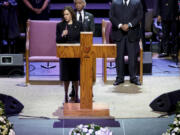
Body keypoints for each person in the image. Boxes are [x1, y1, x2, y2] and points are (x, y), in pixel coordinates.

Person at [109, 0, 143, 85]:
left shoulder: (137, 2)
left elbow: (139, 16)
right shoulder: (115, 2)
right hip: (118, 33)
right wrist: (120, 25)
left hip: (132, 33)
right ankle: (120, 78)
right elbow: (111, 16)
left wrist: (130, 25)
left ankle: (133, 77)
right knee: (119, 57)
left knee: (132, 57)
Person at [56, 6, 83, 103]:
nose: (65, 16)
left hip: (76, 54)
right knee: (66, 77)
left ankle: (76, 95)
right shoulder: (60, 25)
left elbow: (81, 39)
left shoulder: (79, 25)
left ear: (71, 14)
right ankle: (66, 96)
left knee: (75, 76)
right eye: (64, 15)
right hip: (65, 54)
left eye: (67, 14)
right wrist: (62, 35)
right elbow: (57, 41)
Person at [69, 0, 95, 98]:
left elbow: (92, 31)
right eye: (76, 3)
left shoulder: (90, 16)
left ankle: (89, 89)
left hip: (87, 47)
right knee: (74, 69)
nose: (78, 5)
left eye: (80, 3)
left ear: (84, 4)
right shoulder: (71, 16)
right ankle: (74, 90)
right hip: (75, 46)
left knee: (88, 70)